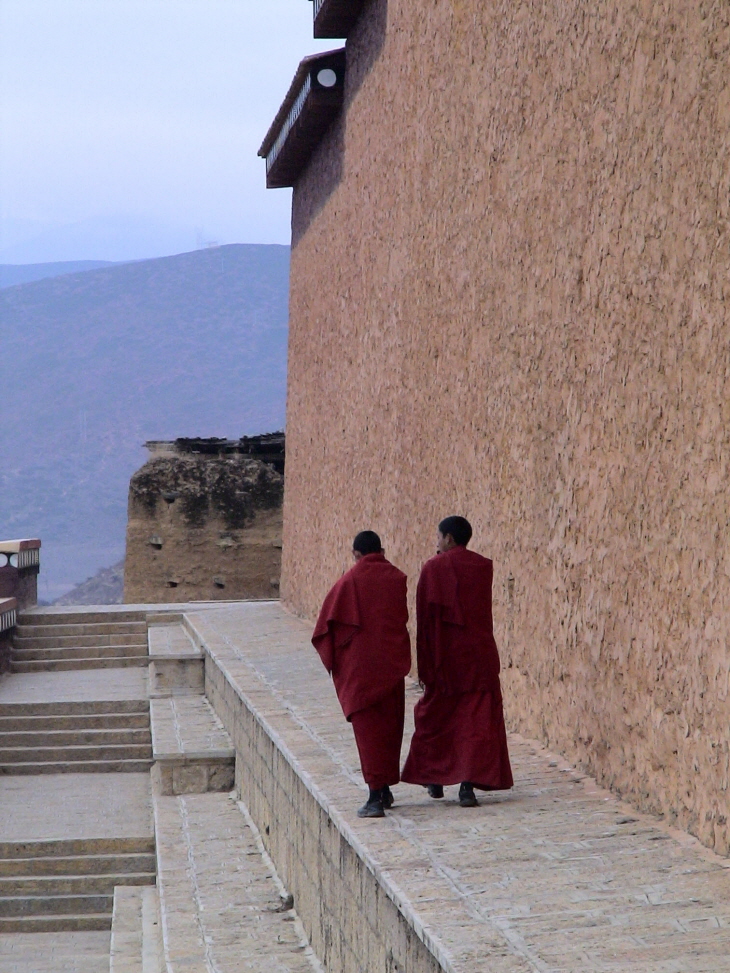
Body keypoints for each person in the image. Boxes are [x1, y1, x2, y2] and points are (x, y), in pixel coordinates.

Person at [401, 516, 513, 807]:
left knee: (435, 718)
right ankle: (467, 786)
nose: (437, 543)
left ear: (449, 538)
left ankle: (434, 776)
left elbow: (426, 621)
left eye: (438, 537)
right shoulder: (481, 567)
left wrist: (425, 665)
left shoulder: (434, 568)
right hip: (479, 658)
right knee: (475, 723)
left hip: (445, 658)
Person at [312, 530, 411, 818]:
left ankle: (375, 796)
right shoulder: (397, 578)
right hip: (391, 664)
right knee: (389, 729)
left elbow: (325, 626)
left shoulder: (349, 581)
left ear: (356, 554)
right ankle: (385, 788)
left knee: (368, 734)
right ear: (381, 551)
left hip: (361, 670)